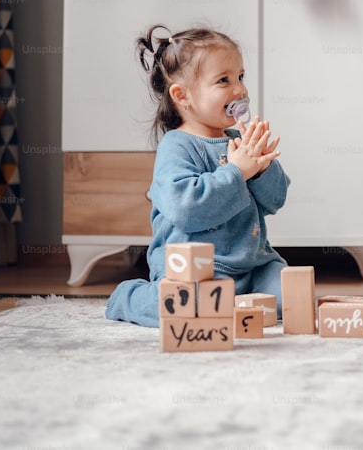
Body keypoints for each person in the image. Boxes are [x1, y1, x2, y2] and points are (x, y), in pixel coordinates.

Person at [105, 25, 289, 327]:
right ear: (182, 96)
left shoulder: (238, 141)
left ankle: (233, 303)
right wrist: (237, 171)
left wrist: (263, 168)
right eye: (223, 81)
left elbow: (275, 200)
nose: (240, 90)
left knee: (288, 297)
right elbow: (186, 209)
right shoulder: (176, 147)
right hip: (197, 270)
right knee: (189, 309)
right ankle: (131, 297)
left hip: (253, 263)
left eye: (240, 77)